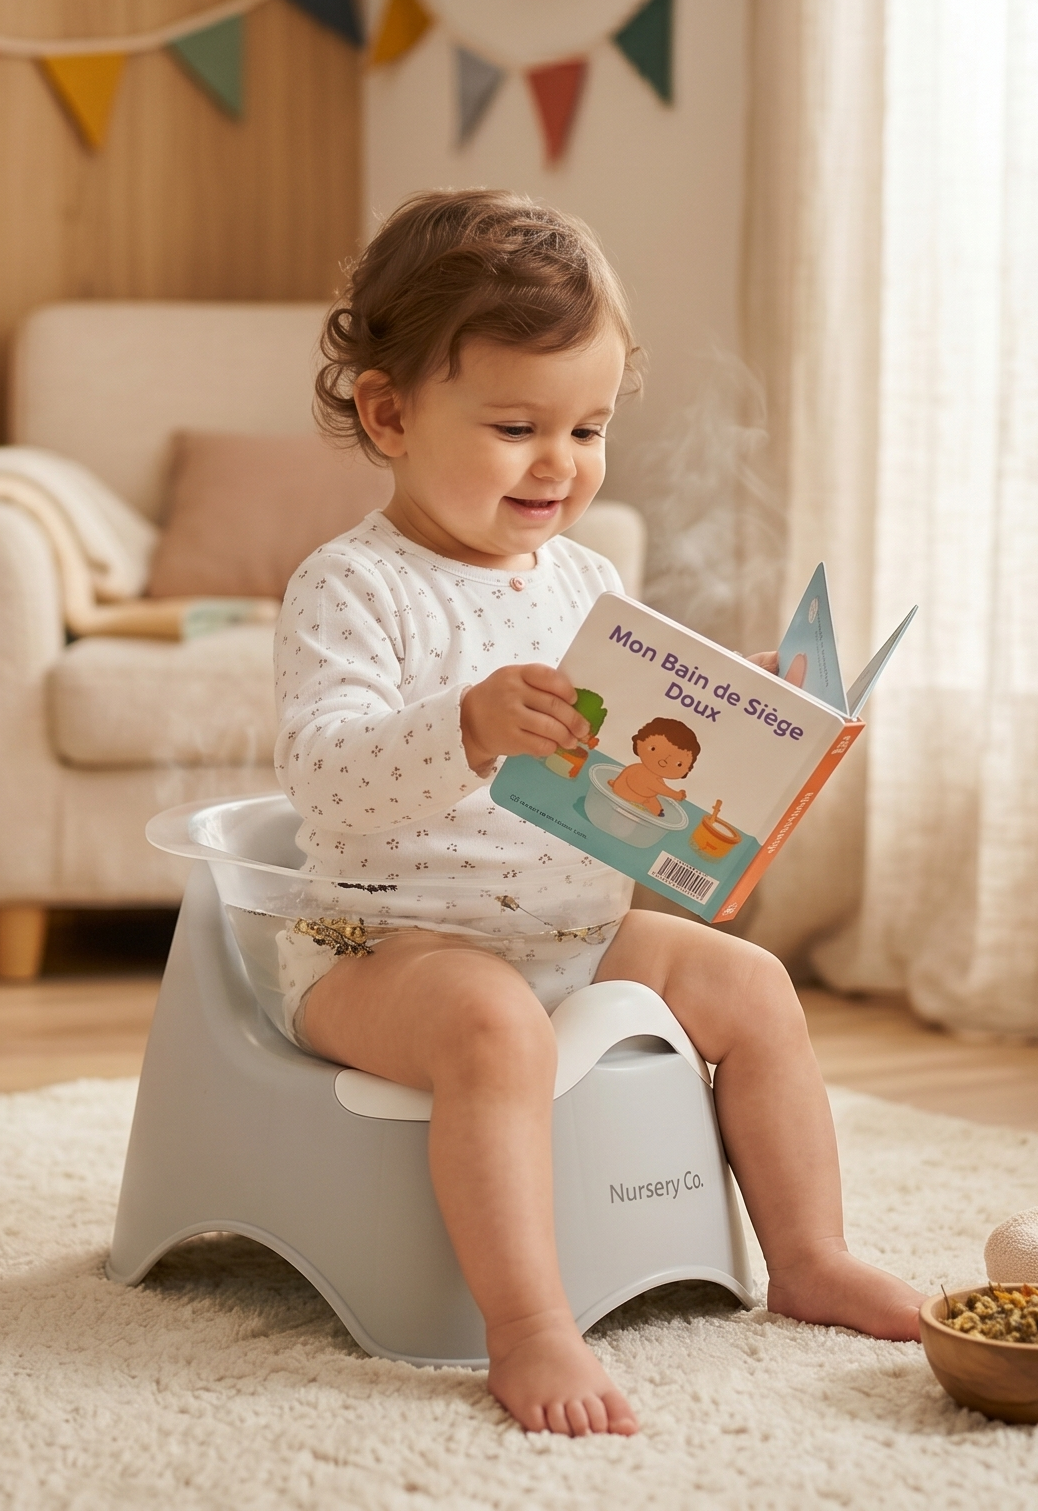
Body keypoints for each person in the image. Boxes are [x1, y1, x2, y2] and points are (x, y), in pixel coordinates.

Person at [273, 189, 923, 1439]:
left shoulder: (585, 578)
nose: (558, 462)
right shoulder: (353, 585)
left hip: (570, 930)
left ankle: (809, 1257)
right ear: (389, 414)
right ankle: (528, 1324)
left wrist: (744, 727)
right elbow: (322, 773)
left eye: (587, 427)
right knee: (492, 1027)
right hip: (383, 946)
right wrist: (464, 727)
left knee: (754, 987)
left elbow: (632, 755)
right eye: (515, 426)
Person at [609, 717, 699, 813]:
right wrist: (676, 795)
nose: (663, 762)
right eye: (653, 748)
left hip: (644, 796)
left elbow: (658, 788)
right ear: (639, 741)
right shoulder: (642, 772)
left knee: (655, 805)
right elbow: (659, 788)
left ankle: (658, 812)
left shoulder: (657, 779)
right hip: (625, 791)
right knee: (648, 800)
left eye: (679, 764)